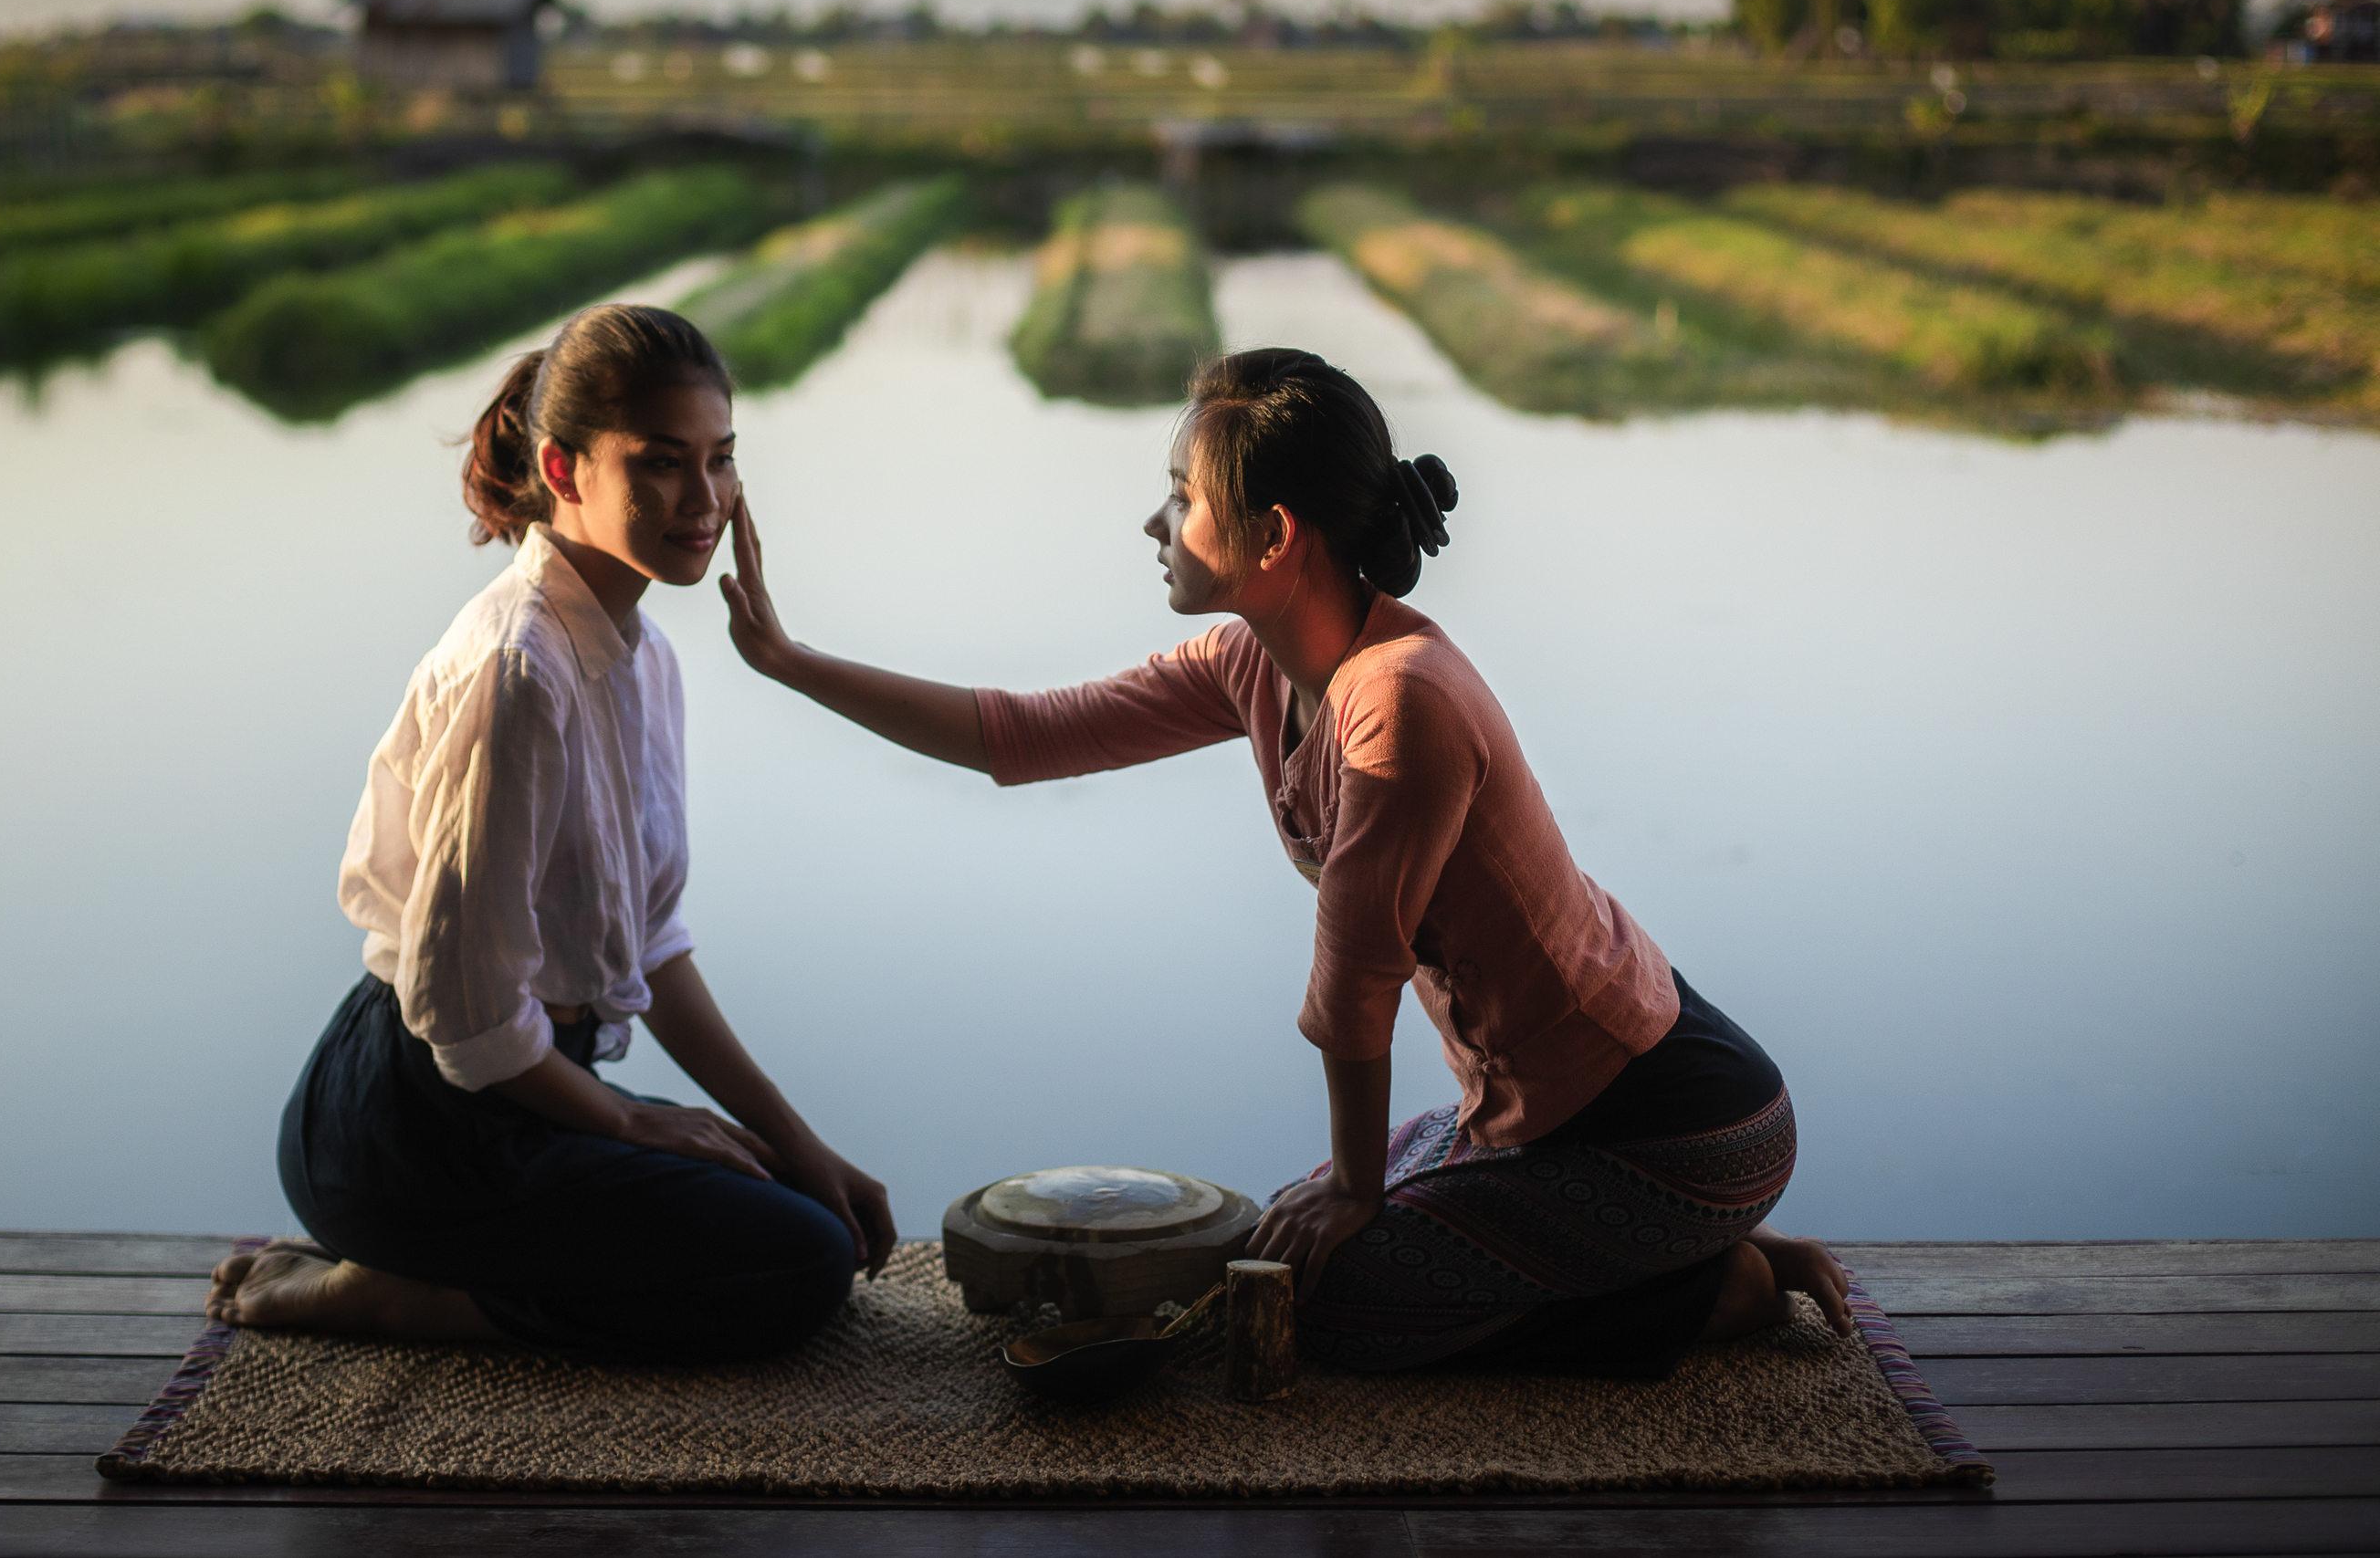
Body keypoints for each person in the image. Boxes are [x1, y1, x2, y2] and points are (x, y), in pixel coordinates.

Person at [718, 345, 1849, 1375]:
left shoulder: (1401, 704)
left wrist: (1361, 1188)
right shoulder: (1250, 665)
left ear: (1274, 536)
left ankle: (1722, 1285)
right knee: (1273, 1245)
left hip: (1673, 1120)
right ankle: (1636, 1245)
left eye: (1181, 498)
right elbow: (1018, 734)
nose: (1153, 525)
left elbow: (1356, 980)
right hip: (1532, 1113)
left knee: (1337, 1307)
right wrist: (791, 661)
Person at [207, 305, 894, 1360]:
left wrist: (803, 1144)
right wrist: (626, 1121)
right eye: (663, 464)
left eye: (721, 461)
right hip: (415, 1126)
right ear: (563, 469)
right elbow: (467, 1011)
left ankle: (442, 1265)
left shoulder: (639, 655)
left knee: (802, 1215)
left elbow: (651, 945)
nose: (703, 502)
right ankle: (390, 1295)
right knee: (795, 1268)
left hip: (523, 1092)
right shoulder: (519, 672)